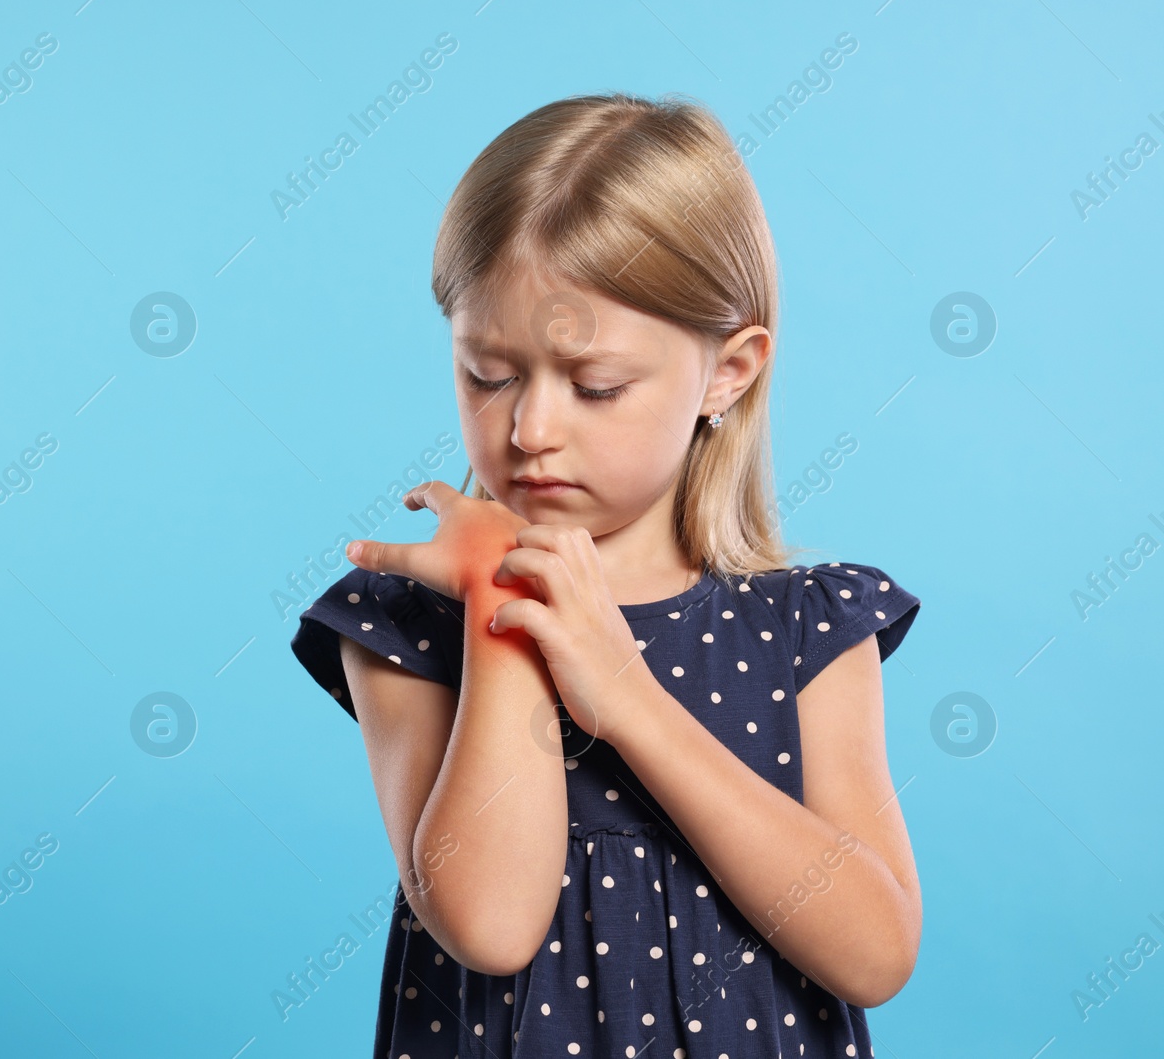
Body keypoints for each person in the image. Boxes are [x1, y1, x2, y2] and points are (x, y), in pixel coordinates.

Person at [289, 92, 922, 1059]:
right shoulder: (409, 624)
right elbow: (491, 923)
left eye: (596, 387)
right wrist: (502, 593)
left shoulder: (808, 628)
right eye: (487, 374)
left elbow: (876, 953)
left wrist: (626, 694)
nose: (530, 430)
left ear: (729, 370)